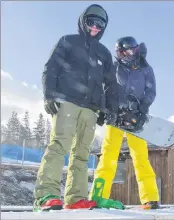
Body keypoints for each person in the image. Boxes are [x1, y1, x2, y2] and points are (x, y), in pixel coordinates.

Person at [33, 4, 115, 211]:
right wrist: (49, 94)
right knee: (59, 145)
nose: (95, 27)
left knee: (82, 153)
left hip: (90, 109)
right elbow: (51, 68)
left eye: (100, 24)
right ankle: (46, 194)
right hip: (67, 101)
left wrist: (103, 108)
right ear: (83, 21)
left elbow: (109, 85)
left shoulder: (104, 54)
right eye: (91, 22)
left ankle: (76, 197)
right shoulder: (68, 41)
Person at [89, 37, 160, 210]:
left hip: (135, 118)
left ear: (135, 50)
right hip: (115, 116)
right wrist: (103, 109)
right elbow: (105, 89)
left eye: (130, 50)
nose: (127, 54)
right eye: (123, 52)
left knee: (140, 157)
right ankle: (98, 195)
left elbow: (150, 91)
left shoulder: (145, 68)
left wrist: (143, 108)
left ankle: (150, 197)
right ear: (118, 53)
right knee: (108, 156)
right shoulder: (113, 67)